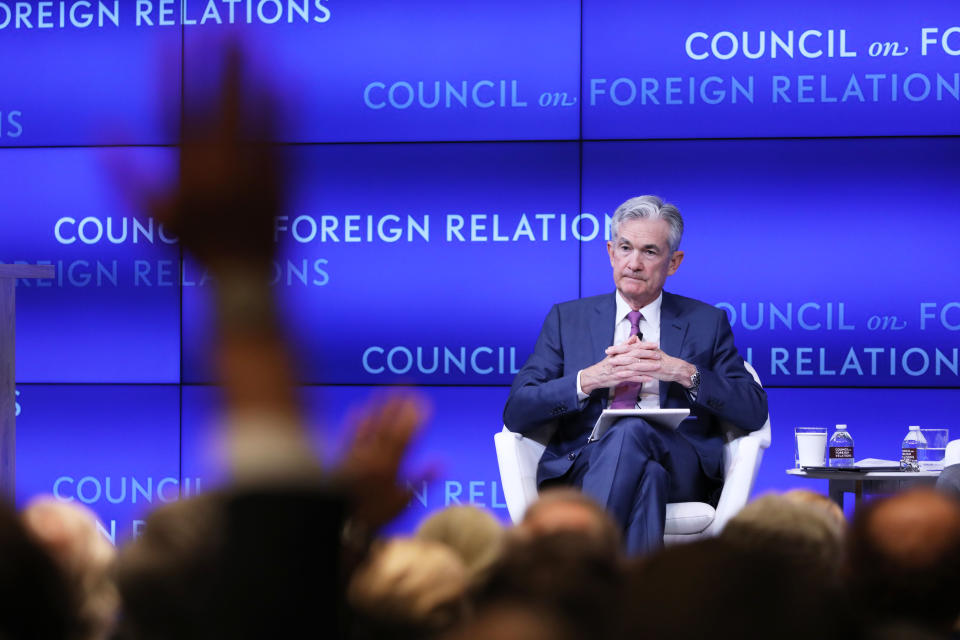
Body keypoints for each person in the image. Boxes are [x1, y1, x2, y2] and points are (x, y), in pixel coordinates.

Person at [503, 195, 767, 554]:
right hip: (584, 463)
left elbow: (753, 409)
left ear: (674, 262)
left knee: (632, 430)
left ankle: (585, 564)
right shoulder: (568, 320)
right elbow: (517, 411)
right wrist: (589, 380)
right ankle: (631, 602)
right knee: (648, 479)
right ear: (611, 252)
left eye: (650, 252)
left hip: (681, 465)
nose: (634, 263)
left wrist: (683, 372)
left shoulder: (705, 322)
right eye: (625, 248)